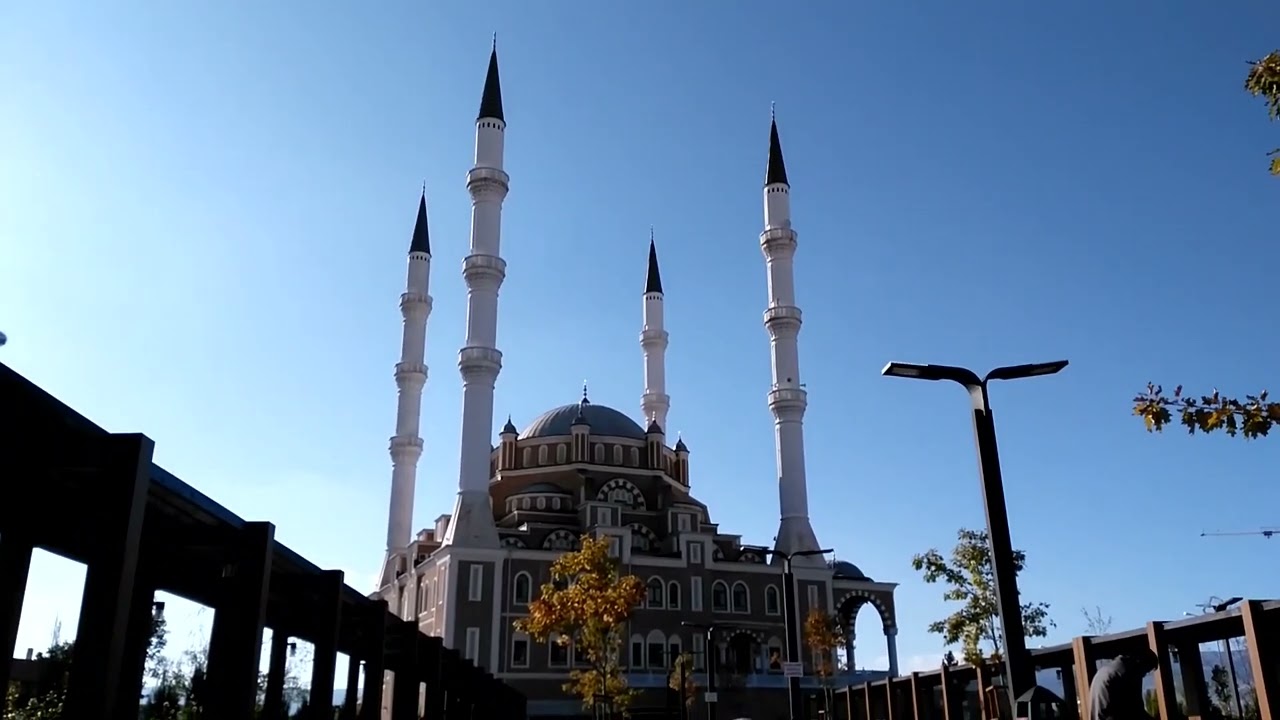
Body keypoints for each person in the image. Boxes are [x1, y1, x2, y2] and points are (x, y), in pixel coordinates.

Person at [1089, 649, 1159, 720]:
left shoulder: (1105, 671)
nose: (1144, 675)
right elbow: (1136, 711)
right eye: (1147, 670)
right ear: (1142, 662)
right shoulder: (1128, 674)